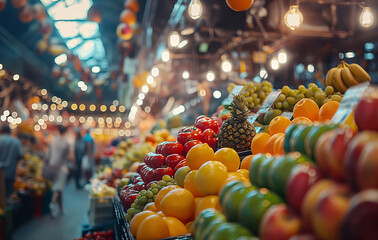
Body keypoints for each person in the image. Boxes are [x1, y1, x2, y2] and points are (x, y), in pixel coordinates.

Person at [46, 125, 70, 217]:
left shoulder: (53, 140)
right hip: (62, 168)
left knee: (59, 188)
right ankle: (52, 204)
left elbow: (49, 154)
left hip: (52, 166)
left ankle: (61, 208)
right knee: (58, 188)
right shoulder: (65, 142)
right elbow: (68, 156)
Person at [0, 124, 24, 197]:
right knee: (8, 195)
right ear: (10, 132)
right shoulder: (16, 142)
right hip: (11, 172)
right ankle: (6, 207)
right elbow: (21, 155)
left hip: (0, 172)